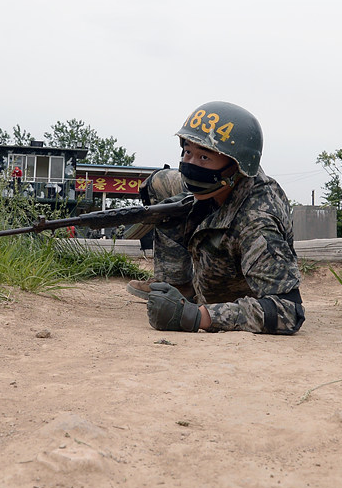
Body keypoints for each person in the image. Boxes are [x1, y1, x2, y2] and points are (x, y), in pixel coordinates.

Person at [126, 101, 305, 334]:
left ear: (236, 166)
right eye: (188, 152)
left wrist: (197, 316)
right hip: (217, 195)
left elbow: (288, 311)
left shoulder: (257, 221)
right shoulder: (211, 181)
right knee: (158, 183)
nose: (190, 165)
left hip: (235, 286)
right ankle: (177, 285)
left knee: (214, 295)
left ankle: (195, 300)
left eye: (204, 158)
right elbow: (170, 182)